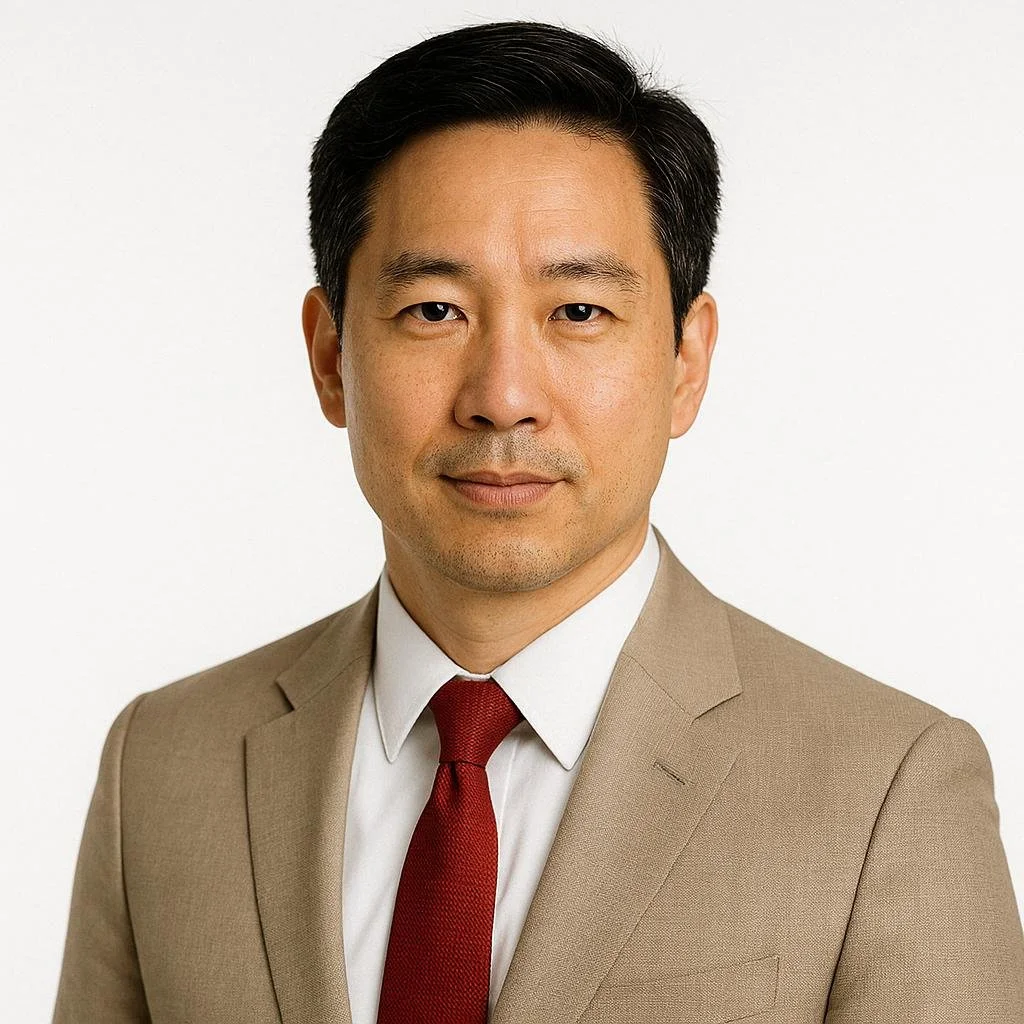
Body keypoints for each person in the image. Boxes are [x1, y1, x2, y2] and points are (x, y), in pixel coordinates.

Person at [53, 20, 1024, 1024]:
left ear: (685, 361)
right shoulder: (164, 764)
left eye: (578, 313)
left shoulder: (885, 791)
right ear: (331, 355)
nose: (503, 396)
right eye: (433, 309)